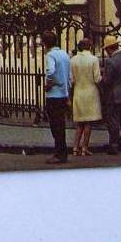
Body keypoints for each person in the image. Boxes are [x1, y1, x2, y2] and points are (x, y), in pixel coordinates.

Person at [100, 35, 121, 155]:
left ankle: (114, 145)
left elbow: (107, 80)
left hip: (114, 96)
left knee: (113, 121)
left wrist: (102, 76)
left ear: (109, 48)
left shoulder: (110, 61)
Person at [70, 38, 103, 156]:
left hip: (78, 92)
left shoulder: (73, 60)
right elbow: (97, 78)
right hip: (91, 92)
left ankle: (75, 147)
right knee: (88, 122)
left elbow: (71, 79)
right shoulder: (94, 59)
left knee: (79, 123)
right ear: (89, 47)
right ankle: (84, 147)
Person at [42, 31, 71, 164]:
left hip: (54, 94)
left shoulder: (50, 55)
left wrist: (48, 84)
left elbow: (51, 72)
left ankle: (59, 153)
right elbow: (69, 75)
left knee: (55, 126)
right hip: (64, 93)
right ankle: (62, 152)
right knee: (61, 125)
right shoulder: (64, 54)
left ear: (44, 43)